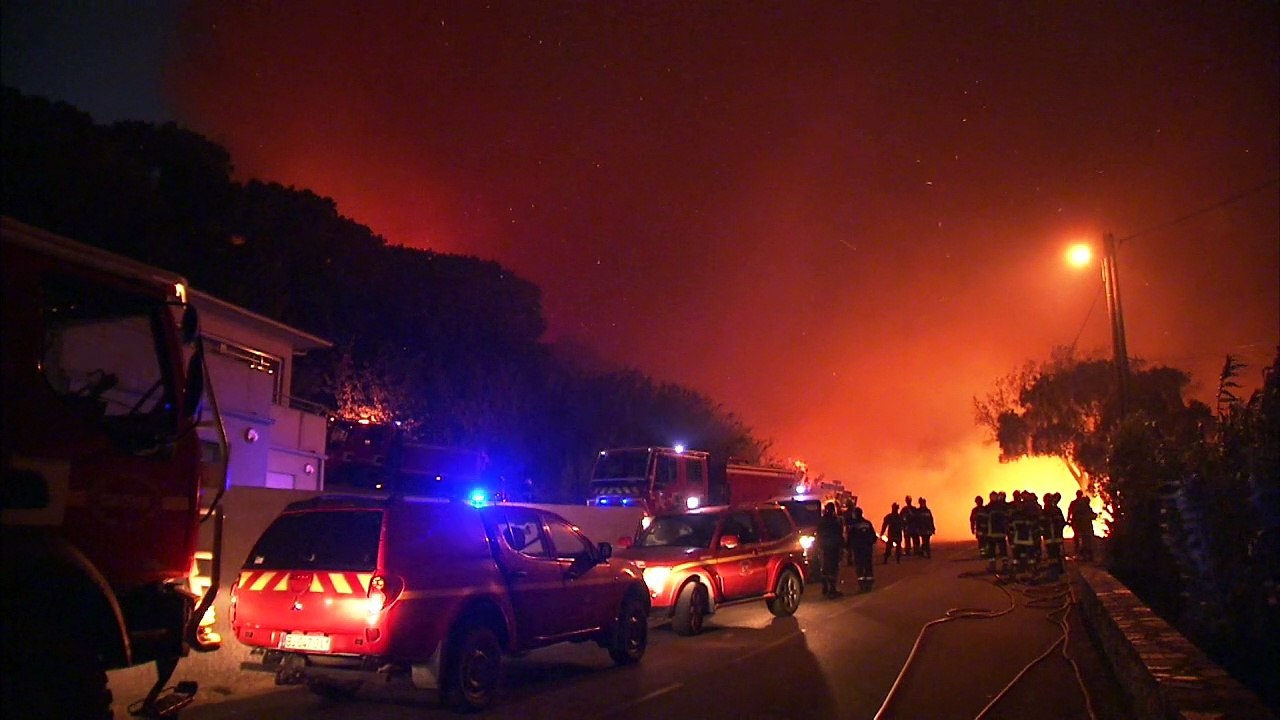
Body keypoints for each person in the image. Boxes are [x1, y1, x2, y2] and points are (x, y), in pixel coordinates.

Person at [816, 501, 845, 597]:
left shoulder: (821, 521)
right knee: (834, 568)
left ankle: (825, 586)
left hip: (824, 546)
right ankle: (832, 589)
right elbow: (839, 534)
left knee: (825, 566)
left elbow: (818, 533)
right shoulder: (836, 520)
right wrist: (843, 546)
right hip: (834, 547)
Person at [846, 506, 878, 590]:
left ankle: (862, 585)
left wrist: (848, 547)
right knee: (868, 565)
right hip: (867, 548)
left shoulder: (853, 525)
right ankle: (869, 584)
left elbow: (850, 537)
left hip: (858, 549)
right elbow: (874, 537)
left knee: (859, 566)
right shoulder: (867, 523)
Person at [1042, 492, 1067, 577]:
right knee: (1056, 553)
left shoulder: (1044, 511)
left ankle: (1054, 570)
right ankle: (1058, 569)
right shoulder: (1056, 510)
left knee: (1052, 554)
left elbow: (1041, 523)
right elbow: (1062, 522)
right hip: (1055, 536)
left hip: (1050, 536)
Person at [1067, 489, 1096, 561]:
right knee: (1084, 541)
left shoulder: (1082, 506)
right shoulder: (1079, 506)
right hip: (1082, 526)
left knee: (1084, 540)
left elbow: (1071, 512)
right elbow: (1072, 513)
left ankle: (1084, 554)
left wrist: (1069, 520)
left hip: (1082, 526)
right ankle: (1084, 554)